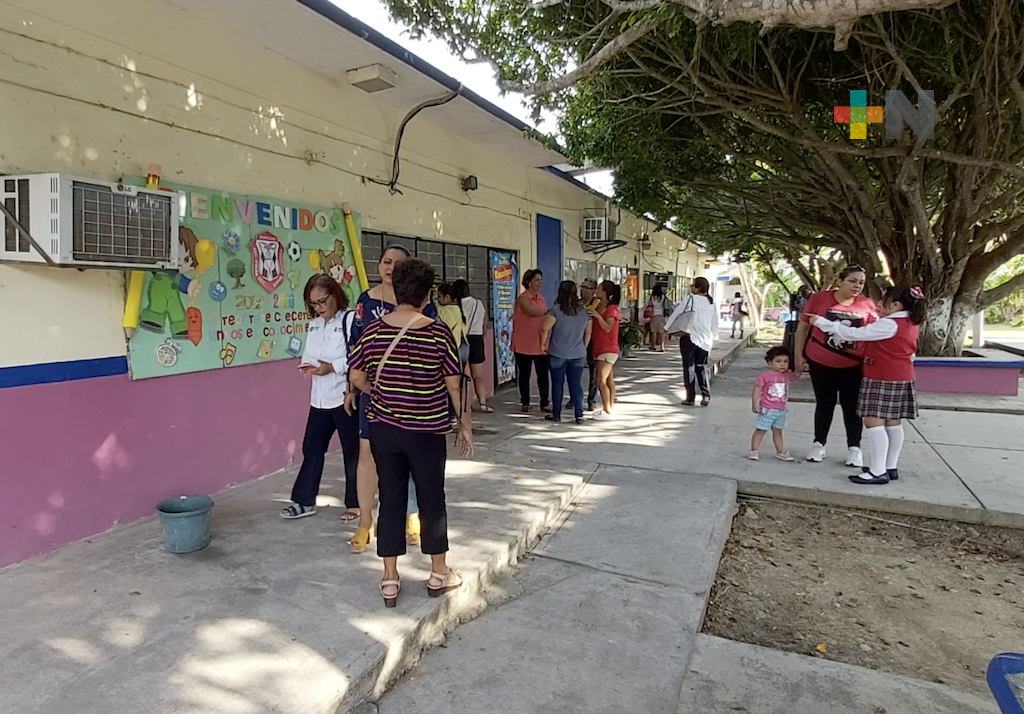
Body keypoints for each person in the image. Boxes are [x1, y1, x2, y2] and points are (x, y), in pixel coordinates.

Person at [348, 258, 473, 607]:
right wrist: (465, 427)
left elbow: (356, 377)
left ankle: (389, 578)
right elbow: (454, 387)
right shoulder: (438, 332)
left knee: (391, 499)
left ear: (397, 291)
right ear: (426, 295)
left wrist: (380, 392)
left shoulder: (373, 331)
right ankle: (438, 572)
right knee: (432, 498)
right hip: (427, 432)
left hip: (384, 430)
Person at [348, 244, 437, 554]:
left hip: (413, 397)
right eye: (386, 262)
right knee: (366, 454)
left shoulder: (424, 304)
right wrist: (352, 390)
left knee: (409, 457)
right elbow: (354, 348)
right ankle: (365, 521)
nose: (391, 268)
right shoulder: (366, 301)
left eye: (398, 264)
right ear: (378, 266)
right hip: (372, 394)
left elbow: (434, 347)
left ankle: (411, 514)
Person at [808, 285, 925, 485]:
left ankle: (877, 471)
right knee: (893, 422)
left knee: (874, 422)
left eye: (884, 300)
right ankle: (889, 467)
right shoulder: (910, 321)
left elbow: (854, 334)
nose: (878, 303)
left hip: (882, 376)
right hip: (901, 374)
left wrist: (822, 323)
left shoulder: (889, 324)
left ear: (896, 305)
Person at [280, 275, 360, 520]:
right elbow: (310, 354)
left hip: (344, 396)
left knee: (352, 452)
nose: (319, 307)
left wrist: (333, 367)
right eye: (313, 303)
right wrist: (308, 366)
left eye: (322, 301)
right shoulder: (314, 324)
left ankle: (356, 503)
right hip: (319, 398)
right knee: (312, 448)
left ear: (335, 294)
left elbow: (359, 356)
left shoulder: (349, 320)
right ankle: (304, 501)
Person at [794, 265, 878, 467]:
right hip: (820, 362)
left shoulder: (867, 305)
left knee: (852, 406)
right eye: (852, 281)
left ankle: (854, 448)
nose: (857, 286)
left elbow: (876, 334)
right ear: (840, 281)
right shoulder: (819, 299)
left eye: (861, 282)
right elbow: (802, 327)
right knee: (824, 403)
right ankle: (818, 444)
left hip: (853, 366)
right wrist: (798, 356)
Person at [540, 280, 593, 424]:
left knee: (557, 384)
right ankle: (579, 414)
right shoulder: (584, 311)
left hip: (558, 352)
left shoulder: (556, 310)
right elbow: (588, 332)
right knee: (575, 384)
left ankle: (556, 414)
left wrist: (542, 344)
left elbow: (545, 328)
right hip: (578, 353)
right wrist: (583, 347)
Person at [668, 277, 718, 406]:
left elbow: (677, 313)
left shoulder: (690, 299)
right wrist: (713, 338)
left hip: (689, 337)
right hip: (705, 340)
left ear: (698, 288)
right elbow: (714, 322)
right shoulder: (711, 303)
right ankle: (706, 395)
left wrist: (667, 328)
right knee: (702, 368)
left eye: (693, 285)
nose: (691, 287)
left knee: (689, 367)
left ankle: (690, 397)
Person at [749, 346, 800, 462]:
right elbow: (757, 389)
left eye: (785, 361)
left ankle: (780, 452)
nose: (782, 364)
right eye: (778, 361)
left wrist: (801, 368)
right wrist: (754, 403)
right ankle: (754, 450)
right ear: (769, 362)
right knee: (761, 430)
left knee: (778, 431)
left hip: (781, 410)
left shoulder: (787, 375)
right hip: (767, 409)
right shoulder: (765, 376)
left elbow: (796, 376)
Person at [512, 268, 550, 413]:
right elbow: (532, 312)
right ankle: (525, 402)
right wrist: (549, 311)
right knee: (524, 375)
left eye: (541, 280)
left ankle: (545, 402)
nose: (540, 283)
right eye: (536, 280)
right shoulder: (523, 298)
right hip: (523, 342)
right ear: (529, 282)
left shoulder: (541, 299)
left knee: (543, 375)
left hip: (540, 342)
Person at [452, 279, 492, 413]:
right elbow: (484, 324)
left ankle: (466, 404)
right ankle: (483, 403)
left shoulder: (455, 305)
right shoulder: (478, 303)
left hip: (462, 339)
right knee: (478, 375)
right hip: (477, 339)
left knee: (463, 375)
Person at [587, 280, 621, 420]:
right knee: (608, 380)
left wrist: (597, 316)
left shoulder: (612, 309)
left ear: (605, 292)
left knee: (600, 380)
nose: (596, 291)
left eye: (599, 289)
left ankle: (607, 410)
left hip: (608, 348)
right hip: (599, 347)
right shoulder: (599, 305)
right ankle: (610, 407)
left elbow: (607, 328)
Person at [436, 283, 469, 367]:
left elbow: (444, 325)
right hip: (463, 346)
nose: (437, 299)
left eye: (439, 296)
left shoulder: (445, 310)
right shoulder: (460, 309)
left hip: (453, 348)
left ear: (447, 297)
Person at [644, 284, 670, 351]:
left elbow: (646, 304)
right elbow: (667, 305)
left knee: (653, 331)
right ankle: (662, 346)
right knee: (661, 331)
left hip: (653, 316)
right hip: (661, 315)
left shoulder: (650, 297)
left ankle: (653, 345)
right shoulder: (663, 297)